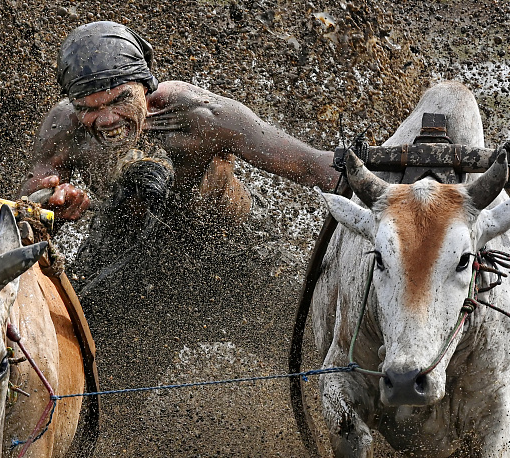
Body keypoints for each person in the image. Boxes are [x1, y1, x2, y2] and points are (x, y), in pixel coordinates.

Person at [18, 21, 342, 289]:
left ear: (145, 86)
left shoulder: (201, 116)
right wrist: (50, 209)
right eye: (88, 109)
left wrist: (384, 174)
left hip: (230, 244)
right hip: (120, 245)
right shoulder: (64, 127)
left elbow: (314, 167)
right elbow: (19, 220)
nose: (106, 120)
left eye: (119, 100)